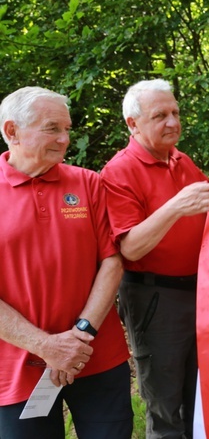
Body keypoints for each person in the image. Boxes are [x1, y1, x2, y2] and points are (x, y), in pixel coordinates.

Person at [0, 86, 133, 438]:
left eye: (67, 129)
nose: (64, 139)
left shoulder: (88, 183)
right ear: (11, 131)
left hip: (96, 356)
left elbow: (112, 261)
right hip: (17, 368)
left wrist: (81, 335)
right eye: (52, 128)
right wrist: (47, 346)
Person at [100, 79, 209, 438]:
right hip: (155, 299)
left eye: (175, 112)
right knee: (166, 404)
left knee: (200, 394)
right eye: (160, 115)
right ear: (133, 124)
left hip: (200, 294)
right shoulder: (118, 171)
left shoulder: (180, 159)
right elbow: (130, 248)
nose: (172, 122)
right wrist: (175, 207)